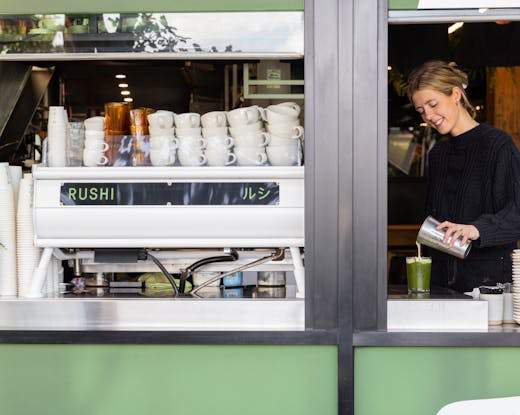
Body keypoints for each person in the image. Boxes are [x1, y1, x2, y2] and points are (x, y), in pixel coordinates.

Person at [407, 60, 520, 292]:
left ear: (456, 94)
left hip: (488, 287)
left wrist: (476, 229)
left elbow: (517, 213)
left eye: (433, 104)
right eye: (421, 110)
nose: (428, 115)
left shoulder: (498, 146)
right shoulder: (438, 154)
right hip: (440, 284)